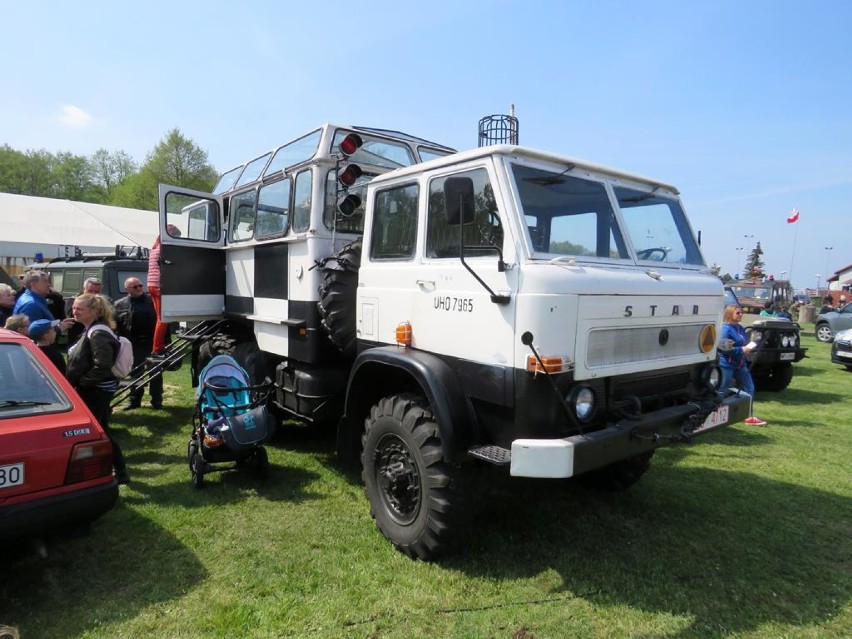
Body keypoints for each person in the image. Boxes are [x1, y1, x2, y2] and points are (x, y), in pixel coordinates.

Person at [66, 293, 130, 484]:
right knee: (102, 430)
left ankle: (118, 471)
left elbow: (102, 365)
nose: (74, 311)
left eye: (80, 308)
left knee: (99, 431)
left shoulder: (98, 332)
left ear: (95, 311)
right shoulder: (91, 329)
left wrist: (83, 383)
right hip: (94, 389)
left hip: (96, 391)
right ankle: (116, 471)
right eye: (74, 307)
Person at [115, 276, 163, 410]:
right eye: (135, 287)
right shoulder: (120, 304)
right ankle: (134, 401)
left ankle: (157, 401)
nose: (139, 289)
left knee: (155, 372)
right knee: (136, 374)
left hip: (151, 343)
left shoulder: (153, 301)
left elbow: (163, 323)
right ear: (127, 289)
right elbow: (116, 326)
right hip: (133, 344)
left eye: (140, 285)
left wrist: (163, 344)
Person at [718, 304, 766, 426]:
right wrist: (741, 350)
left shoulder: (739, 328)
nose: (741, 315)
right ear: (730, 314)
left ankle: (748, 416)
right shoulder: (725, 329)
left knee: (749, 388)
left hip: (740, 365)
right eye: (738, 313)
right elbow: (724, 349)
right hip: (727, 365)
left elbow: (743, 343)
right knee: (721, 389)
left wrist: (749, 347)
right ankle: (712, 414)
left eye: (741, 312)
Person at [148, 224, 181, 356]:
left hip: (151, 285)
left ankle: (159, 346)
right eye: (176, 237)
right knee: (163, 319)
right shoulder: (164, 249)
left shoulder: (155, 248)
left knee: (160, 318)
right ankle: (157, 348)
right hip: (159, 285)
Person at [67, 277, 104, 345]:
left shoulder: (104, 303)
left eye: (97, 292)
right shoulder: (73, 301)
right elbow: (73, 317)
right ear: (84, 289)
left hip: (97, 338)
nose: (93, 294)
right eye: (90, 291)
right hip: (77, 339)